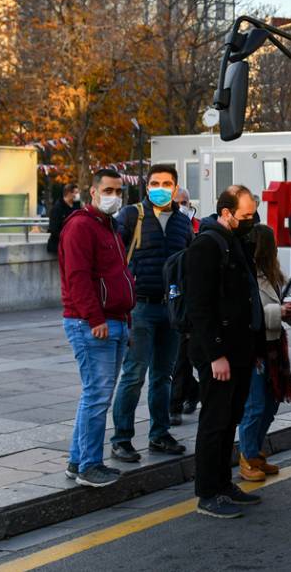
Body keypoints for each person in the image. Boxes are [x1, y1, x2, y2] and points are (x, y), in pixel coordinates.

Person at [187, 186, 264, 519]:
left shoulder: (236, 241)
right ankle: (207, 491)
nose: (251, 221)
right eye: (245, 215)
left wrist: (255, 347)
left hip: (241, 348)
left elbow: (247, 296)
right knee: (215, 421)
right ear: (226, 212)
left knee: (231, 417)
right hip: (218, 353)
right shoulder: (206, 245)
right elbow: (199, 307)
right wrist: (216, 353)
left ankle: (223, 484)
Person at [109, 165, 193, 462]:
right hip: (140, 308)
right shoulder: (132, 216)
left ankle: (159, 434)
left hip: (170, 308)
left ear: (175, 187)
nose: (160, 187)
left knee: (163, 376)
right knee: (134, 375)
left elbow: (188, 265)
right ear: (146, 187)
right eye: (155, 183)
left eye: (166, 183)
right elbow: (113, 255)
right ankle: (121, 438)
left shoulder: (184, 223)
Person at [58, 170, 133, 488]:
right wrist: (95, 319)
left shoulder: (109, 226)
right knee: (97, 397)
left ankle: (78, 461)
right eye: (108, 190)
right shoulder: (81, 226)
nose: (113, 196)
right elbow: (77, 278)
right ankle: (89, 465)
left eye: (118, 191)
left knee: (96, 395)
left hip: (115, 320)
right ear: (92, 191)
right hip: (93, 323)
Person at [237, 224, 291, 482]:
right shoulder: (245, 275)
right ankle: (247, 456)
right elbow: (244, 314)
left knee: (272, 403)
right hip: (254, 348)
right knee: (255, 405)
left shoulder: (273, 274)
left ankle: (256, 451)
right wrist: (279, 313)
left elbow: (283, 311)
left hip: (275, 345)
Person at [169, 188, 201, 425]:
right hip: (168, 296)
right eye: (178, 202)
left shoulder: (197, 226)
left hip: (187, 300)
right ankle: (192, 391)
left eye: (185, 202)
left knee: (181, 358)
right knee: (173, 360)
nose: (182, 206)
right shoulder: (166, 226)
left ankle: (175, 405)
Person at [46, 183, 82, 254]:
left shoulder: (77, 206)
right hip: (59, 245)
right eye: (76, 193)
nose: (78, 195)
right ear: (69, 193)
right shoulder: (57, 208)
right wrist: (68, 238)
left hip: (73, 244)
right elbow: (54, 229)